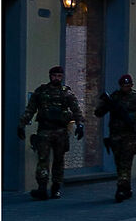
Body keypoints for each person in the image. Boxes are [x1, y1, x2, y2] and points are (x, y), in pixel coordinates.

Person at [16, 67, 85, 200]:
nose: (57, 78)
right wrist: (22, 124)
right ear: (50, 76)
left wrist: (79, 125)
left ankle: (56, 188)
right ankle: (42, 188)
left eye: (59, 76)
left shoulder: (66, 93)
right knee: (43, 160)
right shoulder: (41, 92)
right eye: (54, 76)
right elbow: (30, 109)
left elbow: (76, 109)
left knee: (59, 160)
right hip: (45, 130)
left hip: (60, 131)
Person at [95, 73, 136, 201]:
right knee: (119, 163)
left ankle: (121, 188)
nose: (126, 87)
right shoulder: (115, 97)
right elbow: (99, 113)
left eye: (128, 85)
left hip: (130, 136)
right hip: (115, 135)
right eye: (124, 85)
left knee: (126, 161)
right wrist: (106, 104)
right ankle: (127, 187)